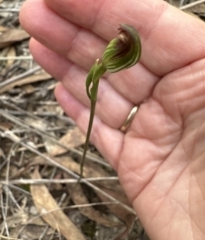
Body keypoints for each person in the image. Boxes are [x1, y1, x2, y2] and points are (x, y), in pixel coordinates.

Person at [20, 0, 205, 239]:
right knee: (90, 91)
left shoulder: (109, 64)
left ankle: (81, 175)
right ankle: (79, 175)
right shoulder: (102, 69)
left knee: (92, 90)